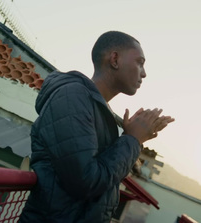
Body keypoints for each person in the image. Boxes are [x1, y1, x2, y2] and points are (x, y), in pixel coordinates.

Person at [19, 31, 174, 223]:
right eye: (139, 62)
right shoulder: (72, 97)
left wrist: (128, 136)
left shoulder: (96, 108)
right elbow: (86, 182)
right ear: (115, 59)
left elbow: (105, 175)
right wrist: (133, 140)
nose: (144, 73)